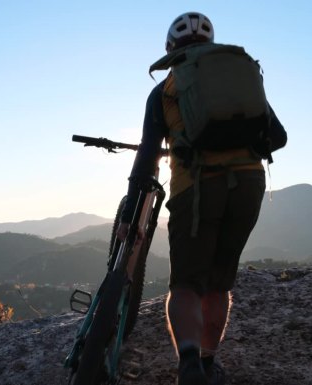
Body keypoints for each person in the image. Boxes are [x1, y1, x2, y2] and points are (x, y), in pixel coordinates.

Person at [116, 12, 287, 385]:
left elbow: (147, 155)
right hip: (248, 185)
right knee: (219, 282)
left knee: (187, 284)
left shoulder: (167, 88)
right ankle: (209, 363)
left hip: (196, 189)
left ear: (170, 49)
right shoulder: (239, 78)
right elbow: (279, 137)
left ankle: (190, 363)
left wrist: (131, 209)